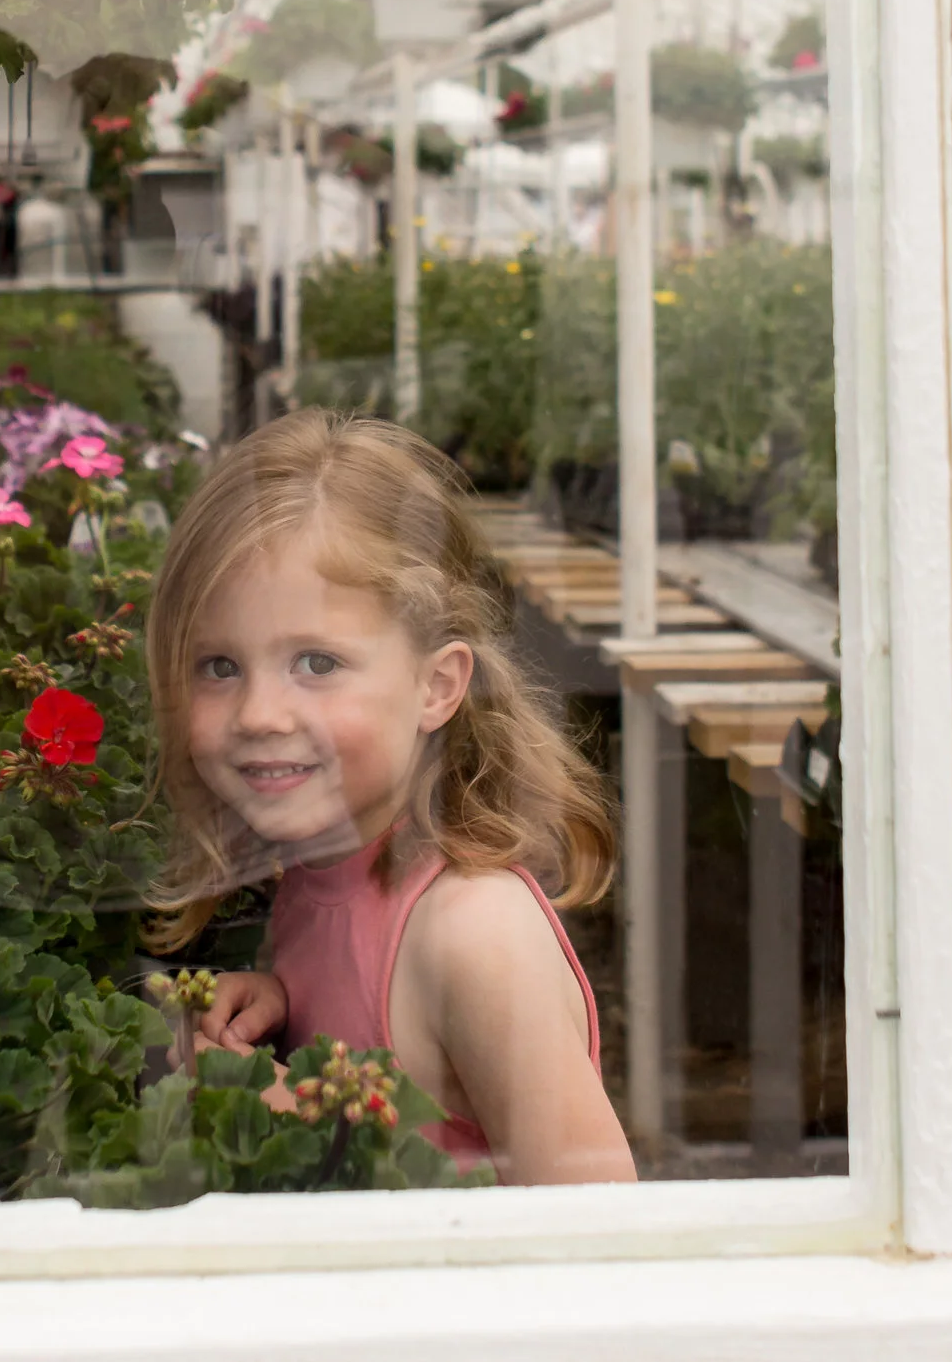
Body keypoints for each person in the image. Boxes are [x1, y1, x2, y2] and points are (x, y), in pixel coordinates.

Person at [145, 409, 633, 1186]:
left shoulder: (474, 936)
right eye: (219, 666)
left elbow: (603, 1245)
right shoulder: (317, 870)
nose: (260, 713)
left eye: (316, 662)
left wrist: (297, 1115)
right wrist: (277, 1006)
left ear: (436, 686)